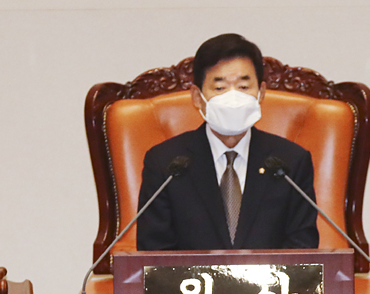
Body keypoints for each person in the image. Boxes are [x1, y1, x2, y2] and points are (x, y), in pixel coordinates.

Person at [136, 33, 320, 251]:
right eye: (220, 88)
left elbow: (302, 249)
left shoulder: (290, 162)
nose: (233, 98)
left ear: (261, 93)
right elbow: (154, 253)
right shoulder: (166, 163)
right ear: (197, 97)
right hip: (189, 285)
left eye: (243, 87)